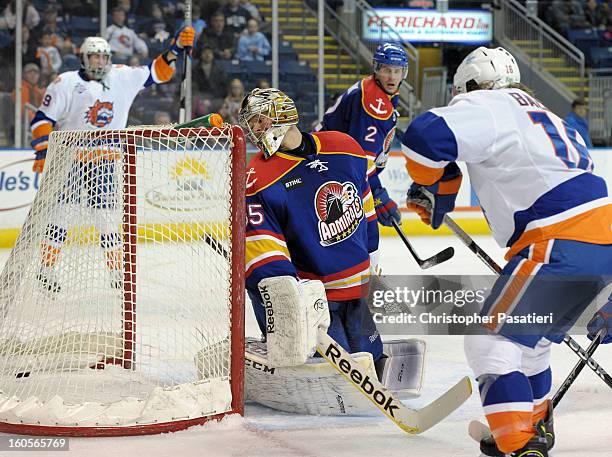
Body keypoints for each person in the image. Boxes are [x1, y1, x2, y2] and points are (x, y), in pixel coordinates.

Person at [401, 46, 612, 457]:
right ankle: (530, 429)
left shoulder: (490, 104)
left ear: (472, 85)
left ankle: (519, 445)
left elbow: (425, 136)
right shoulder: (547, 115)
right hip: (598, 242)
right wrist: (441, 188)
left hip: (557, 241)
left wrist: (427, 180)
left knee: (489, 342)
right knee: (530, 347)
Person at [30, 27, 195, 293]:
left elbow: (158, 72)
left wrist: (174, 50)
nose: (99, 61)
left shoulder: (122, 76)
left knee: (107, 217)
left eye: (103, 57)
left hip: (105, 160)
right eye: (94, 57)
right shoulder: (65, 82)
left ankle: (117, 272)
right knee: (62, 215)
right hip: (70, 159)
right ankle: (46, 269)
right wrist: (42, 151)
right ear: (83, 57)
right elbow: (42, 120)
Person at [240, 87, 383, 363]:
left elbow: (366, 205)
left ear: (279, 114)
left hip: (358, 288)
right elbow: (264, 247)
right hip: (317, 297)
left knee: (373, 358)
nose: (254, 130)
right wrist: (290, 301)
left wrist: (373, 253)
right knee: (336, 370)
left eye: (258, 120)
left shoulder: (344, 146)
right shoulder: (258, 177)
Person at [315, 42, 409, 228]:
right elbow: (361, 160)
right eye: (387, 70)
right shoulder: (374, 103)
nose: (392, 77)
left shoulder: (375, 89)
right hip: (333, 170)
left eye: (397, 71)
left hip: (335, 166)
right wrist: (378, 194)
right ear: (377, 69)